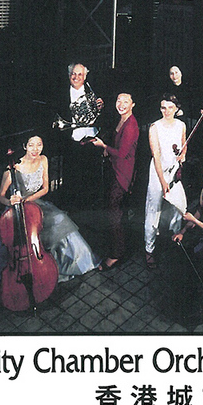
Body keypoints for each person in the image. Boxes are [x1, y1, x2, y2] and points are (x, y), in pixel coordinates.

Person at [0, 136, 100, 283]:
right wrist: (10, 201)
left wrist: (28, 200)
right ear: (25, 146)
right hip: (17, 208)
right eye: (31, 145)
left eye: (39, 145)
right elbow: (0, 196)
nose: (35, 149)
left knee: (62, 220)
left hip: (35, 203)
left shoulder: (43, 160)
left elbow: (45, 188)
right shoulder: (13, 169)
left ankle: (76, 264)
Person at [89, 93, 139, 271]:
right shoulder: (121, 119)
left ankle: (117, 254)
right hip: (116, 169)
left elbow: (122, 153)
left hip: (123, 174)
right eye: (119, 100)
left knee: (114, 213)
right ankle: (118, 245)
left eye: (126, 101)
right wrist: (108, 149)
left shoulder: (131, 125)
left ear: (133, 104)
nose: (121, 104)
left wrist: (104, 147)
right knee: (114, 211)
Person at [144, 94, 187, 269]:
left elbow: (183, 145)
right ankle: (149, 249)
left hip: (174, 171)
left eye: (170, 107)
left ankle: (175, 239)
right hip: (158, 172)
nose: (167, 111)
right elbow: (156, 156)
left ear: (176, 108)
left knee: (177, 207)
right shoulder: (155, 127)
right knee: (153, 209)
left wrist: (182, 156)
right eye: (163, 107)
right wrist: (163, 182)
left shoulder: (181, 125)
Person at [55, 63, 104, 208]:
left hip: (92, 140)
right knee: (73, 178)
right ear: (69, 76)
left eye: (80, 74)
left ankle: (91, 207)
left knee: (92, 177)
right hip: (73, 142)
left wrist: (100, 106)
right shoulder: (61, 94)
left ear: (85, 76)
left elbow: (99, 113)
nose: (76, 77)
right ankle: (74, 207)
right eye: (73, 74)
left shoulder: (92, 90)